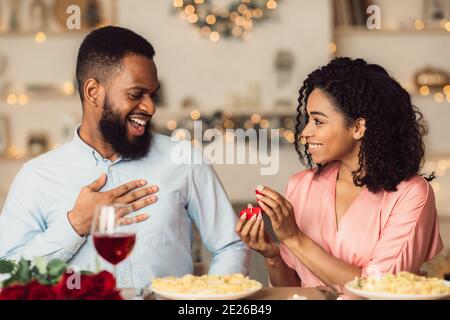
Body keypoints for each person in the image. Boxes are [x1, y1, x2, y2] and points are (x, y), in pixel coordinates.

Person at [0, 26, 249, 288]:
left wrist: (207, 302)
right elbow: (6, 277)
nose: (150, 107)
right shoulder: (37, 176)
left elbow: (231, 245)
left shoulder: (183, 159)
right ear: (93, 92)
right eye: (135, 95)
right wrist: (75, 225)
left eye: (152, 95)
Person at [236, 57, 443, 288]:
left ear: (357, 127)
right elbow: (293, 289)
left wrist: (295, 239)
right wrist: (273, 257)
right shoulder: (301, 186)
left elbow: (380, 289)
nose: (304, 132)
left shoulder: (412, 194)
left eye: (318, 121)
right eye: (308, 120)